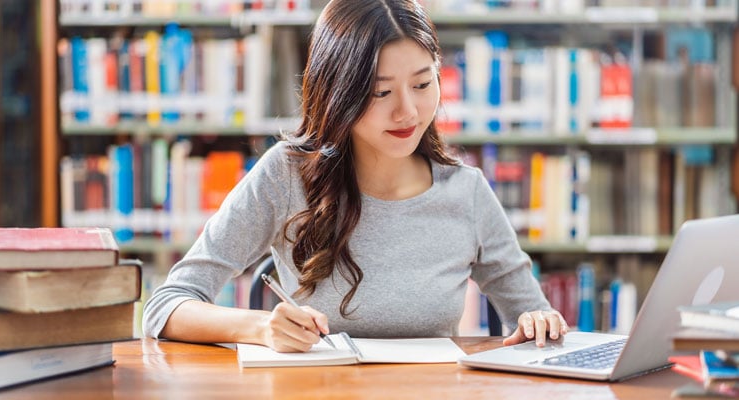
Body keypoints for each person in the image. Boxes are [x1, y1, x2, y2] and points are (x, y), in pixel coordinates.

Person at [143, 0, 567, 353]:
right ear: (337, 91)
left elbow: (535, 324)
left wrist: (539, 322)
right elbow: (166, 305)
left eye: (422, 85)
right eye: (380, 92)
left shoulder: (467, 191)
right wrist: (257, 328)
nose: (408, 112)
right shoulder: (285, 174)